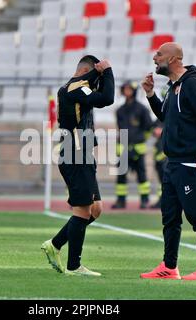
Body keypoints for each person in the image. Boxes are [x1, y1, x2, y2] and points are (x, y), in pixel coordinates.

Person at [140, 42, 196, 280]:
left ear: (174, 59)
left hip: (189, 164)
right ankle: (169, 266)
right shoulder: (173, 86)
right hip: (172, 163)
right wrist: (150, 94)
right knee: (170, 217)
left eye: (159, 54)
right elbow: (165, 116)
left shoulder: (193, 84)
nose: (154, 58)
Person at [41, 55, 114, 276]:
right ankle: (74, 265)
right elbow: (107, 99)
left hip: (83, 154)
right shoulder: (74, 87)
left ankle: (55, 244)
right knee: (83, 210)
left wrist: (101, 75)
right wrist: (107, 71)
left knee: (96, 209)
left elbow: (101, 95)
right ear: (84, 72)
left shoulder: (79, 89)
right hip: (75, 154)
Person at [112, 80, 154, 209]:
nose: (127, 91)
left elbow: (148, 128)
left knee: (142, 177)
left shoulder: (142, 109)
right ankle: (121, 201)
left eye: (129, 89)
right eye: (125, 89)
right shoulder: (120, 110)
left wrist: (140, 140)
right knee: (121, 177)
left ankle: (144, 200)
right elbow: (120, 129)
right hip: (123, 149)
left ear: (134, 91)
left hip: (138, 149)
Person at [150, 120, 168, 209]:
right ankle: (162, 200)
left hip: (167, 155)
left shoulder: (173, 114)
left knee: (167, 180)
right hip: (159, 156)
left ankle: (165, 201)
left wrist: (163, 130)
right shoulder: (160, 115)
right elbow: (151, 127)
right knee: (161, 181)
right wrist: (155, 130)